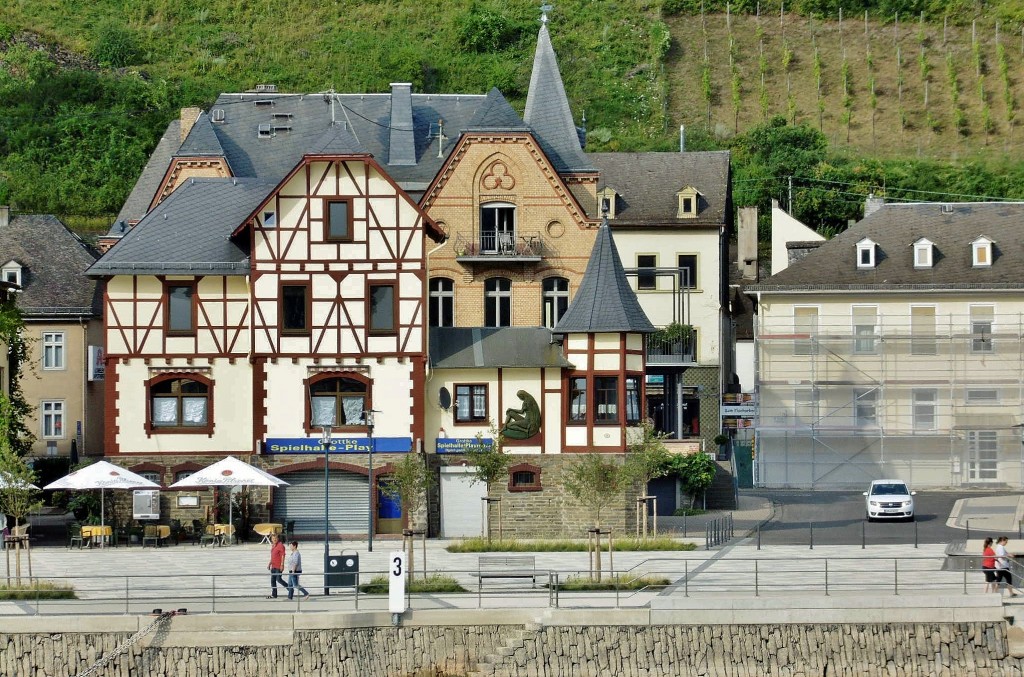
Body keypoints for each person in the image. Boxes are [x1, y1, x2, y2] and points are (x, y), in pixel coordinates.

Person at [266, 534, 286, 599]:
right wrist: (269, 564)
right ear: (271, 539)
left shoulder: (280, 545)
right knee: (273, 581)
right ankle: (274, 595)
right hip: (273, 566)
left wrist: (282, 565)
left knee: (279, 579)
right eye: (273, 538)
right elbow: (273, 557)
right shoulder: (273, 546)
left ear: (278, 539)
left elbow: (283, 555)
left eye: (276, 538)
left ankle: (290, 589)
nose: (274, 539)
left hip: (278, 566)